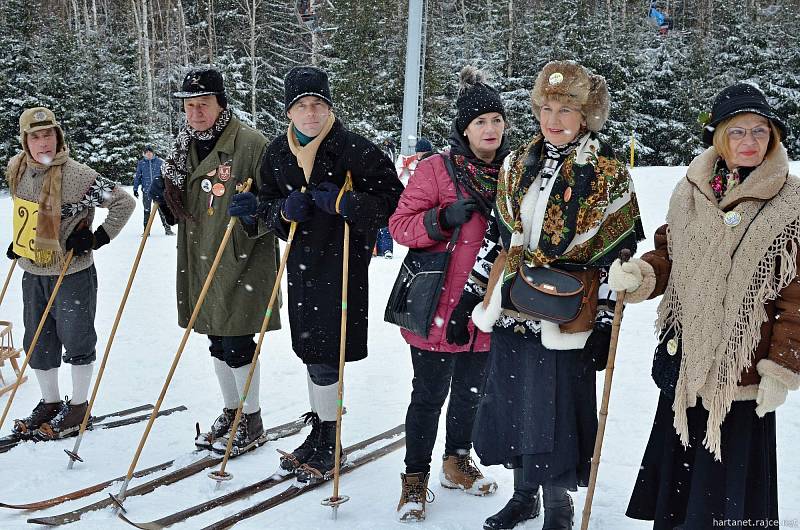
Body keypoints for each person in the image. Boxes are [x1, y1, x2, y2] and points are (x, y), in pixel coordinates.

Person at [459, 61, 644, 530]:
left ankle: (558, 509)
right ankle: (525, 497)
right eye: (545, 108)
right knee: (515, 404)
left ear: (586, 116)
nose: (553, 119)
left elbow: (615, 258)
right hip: (515, 305)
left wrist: (604, 320)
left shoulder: (609, 173)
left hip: (569, 313)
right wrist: (474, 292)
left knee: (556, 414)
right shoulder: (517, 163)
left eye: (565, 109)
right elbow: (501, 239)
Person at [621, 83, 798, 529]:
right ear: (719, 137)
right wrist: (643, 275)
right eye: (738, 131)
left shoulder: (791, 204)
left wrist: (780, 367)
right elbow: (671, 253)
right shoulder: (691, 192)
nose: (750, 141)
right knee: (682, 493)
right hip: (686, 362)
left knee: (727, 500)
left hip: (741, 373)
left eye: (761, 131)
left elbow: (797, 299)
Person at [229, 65, 403, 484]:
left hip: (342, 263)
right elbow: (265, 207)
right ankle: (322, 430)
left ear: (329, 107)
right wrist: (280, 212)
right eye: (302, 106)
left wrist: (347, 204)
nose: (311, 114)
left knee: (329, 354)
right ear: (289, 112)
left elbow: (393, 199)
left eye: (318, 105)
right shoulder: (277, 153)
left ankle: (331, 437)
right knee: (311, 351)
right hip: (302, 266)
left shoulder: (354, 149)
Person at [388, 66, 509, 522]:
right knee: (429, 395)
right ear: (464, 128)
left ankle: (457, 462)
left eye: (496, 120)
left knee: (472, 394)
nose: (490, 129)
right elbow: (399, 226)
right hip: (439, 304)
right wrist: (440, 218)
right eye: (480, 122)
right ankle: (414, 478)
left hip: (486, 306)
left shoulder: (514, 171)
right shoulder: (436, 169)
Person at [148, 66, 281, 455]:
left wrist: (256, 209)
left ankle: (251, 418)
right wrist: (163, 197)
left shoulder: (251, 143)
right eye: (189, 106)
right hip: (200, 255)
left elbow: (276, 203)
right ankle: (232, 408)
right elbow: (182, 212)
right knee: (215, 339)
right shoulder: (182, 147)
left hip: (239, 258)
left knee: (238, 339)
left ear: (221, 104)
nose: (195, 114)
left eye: (203, 105)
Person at [6, 106, 134, 440]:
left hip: (71, 271)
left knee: (76, 338)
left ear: (58, 136)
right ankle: (49, 403)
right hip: (33, 270)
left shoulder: (78, 175)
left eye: (49, 134)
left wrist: (97, 237)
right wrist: (19, 241)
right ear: (26, 141)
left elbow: (123, 202)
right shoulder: (18, 169)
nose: (44, 143)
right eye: (36, 136)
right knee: (38, 341)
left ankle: (77, 407)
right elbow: (25, 211)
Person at [133, 146, 173, 235]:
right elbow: (138, 177)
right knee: (147, 211)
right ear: (144, 154)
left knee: (163, 210)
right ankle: (146, 231)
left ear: (153, 153)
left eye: (150, 152)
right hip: (146, 191)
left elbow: (166, 177)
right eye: (146, 152)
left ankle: (168, 230)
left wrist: (167, 187)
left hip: (158, 191)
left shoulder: (160, 162)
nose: (148, 153)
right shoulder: (141, 163)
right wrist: (135, 189)